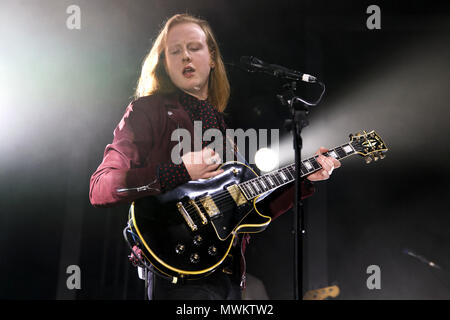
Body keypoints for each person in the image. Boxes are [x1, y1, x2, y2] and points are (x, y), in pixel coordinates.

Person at [89, 13, 341, 300]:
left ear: (211, 58)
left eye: (194, 47)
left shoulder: (220, 128)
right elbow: (101, 188)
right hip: (180, 275)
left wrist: (304, 178)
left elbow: (251, 211)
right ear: (165, 63)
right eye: (175, 50)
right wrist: (180, 171)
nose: (185, 56)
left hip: (230, 277)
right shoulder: (147, 111)